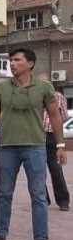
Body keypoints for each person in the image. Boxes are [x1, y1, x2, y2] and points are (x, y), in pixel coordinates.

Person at [0, 49, 66, 240]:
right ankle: (1, 234)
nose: (12, 64)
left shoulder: (44, 87)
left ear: (30, 64)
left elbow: (54, 116)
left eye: (17, 60)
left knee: (38, 194)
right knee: (4, 193)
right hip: (8, 147)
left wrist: (60, 146)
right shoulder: (0, 88)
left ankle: (41, 238)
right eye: (11, 60)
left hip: (35, 147)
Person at [39, 73, 70, 211]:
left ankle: (63, 201)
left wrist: (53, 128)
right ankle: (43, 200)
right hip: (37, 136)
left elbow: (63, 117)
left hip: (52, 136)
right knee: (38, 170)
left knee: (56, 169)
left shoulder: (58, 97)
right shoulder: (34, 97)